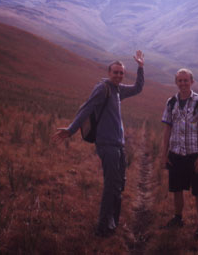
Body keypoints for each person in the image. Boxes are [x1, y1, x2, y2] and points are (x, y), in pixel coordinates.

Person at [53, 50, 145, 237]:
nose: (118, 75)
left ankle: (113, 222)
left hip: (119, 145)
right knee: (111, 185)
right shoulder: (103, 88)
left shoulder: (118, 90)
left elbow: (137, 88)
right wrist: (71, 129)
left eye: (121, 73)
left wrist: (141, 67)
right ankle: (103, 227)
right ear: (109, 72)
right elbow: (86, 108)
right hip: (107, 145)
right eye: (115, 72)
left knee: (119, 184)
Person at [161, 68, 198, 240]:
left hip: (194, 154)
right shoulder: (171, 102)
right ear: (176, 82)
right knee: (176, 189)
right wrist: (164, 153)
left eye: (186, 80)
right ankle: (178, 218)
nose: (183, 83)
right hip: (176, 154)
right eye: (180, 80)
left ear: (192, 82)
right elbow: (167, 129)